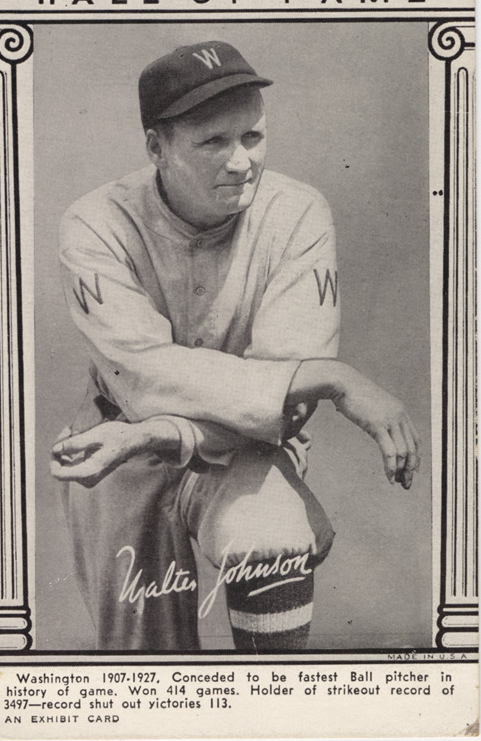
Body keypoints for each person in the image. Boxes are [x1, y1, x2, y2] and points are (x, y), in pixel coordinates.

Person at [51, 40, 421, 651]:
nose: (241, 161)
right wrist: (335, 377)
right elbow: (144, 377)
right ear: (156, 147)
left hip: (240, 444)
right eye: (213, 142)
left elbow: (286, 400)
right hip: (114, 448)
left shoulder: (297, 213)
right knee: (145, 670)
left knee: (271, 537)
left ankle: (268, 700)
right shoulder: (95, 223)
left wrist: (159, 430)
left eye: (252, 137)